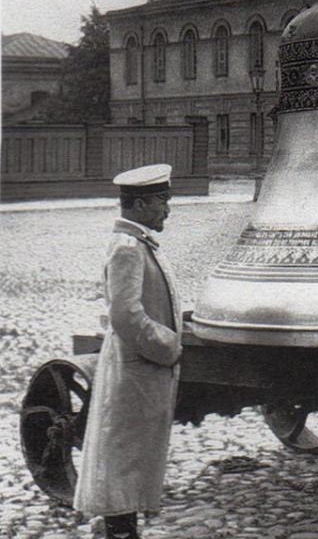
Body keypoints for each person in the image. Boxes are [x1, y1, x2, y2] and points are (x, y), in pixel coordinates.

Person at [74, 164, 182, 539]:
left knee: (132, 454)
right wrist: (168, 345)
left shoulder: (138, 243)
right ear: (138, 204)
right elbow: (125, 314)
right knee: (124, 455)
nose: (167, 209)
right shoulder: (127, 247)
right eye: (162, 201)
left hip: (139, 369)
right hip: (136, 368)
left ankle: (122, 528)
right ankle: (120, 531)